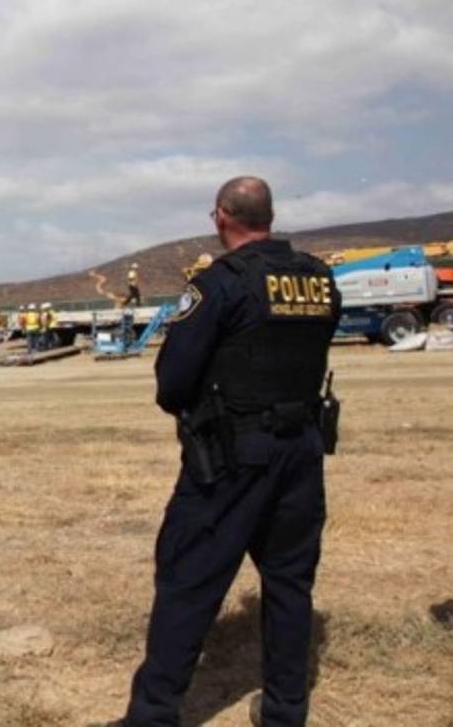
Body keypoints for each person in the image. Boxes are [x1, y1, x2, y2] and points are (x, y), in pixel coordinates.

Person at [114, 177, 341, 726]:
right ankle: (285, 711)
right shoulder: (318, 279)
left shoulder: (220, 284)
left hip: (232, 456)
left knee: (188, 581)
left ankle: (152, 716)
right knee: (289, 582)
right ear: (270, 216)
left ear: (222, 216)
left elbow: (173, 381)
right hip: (302, 449)